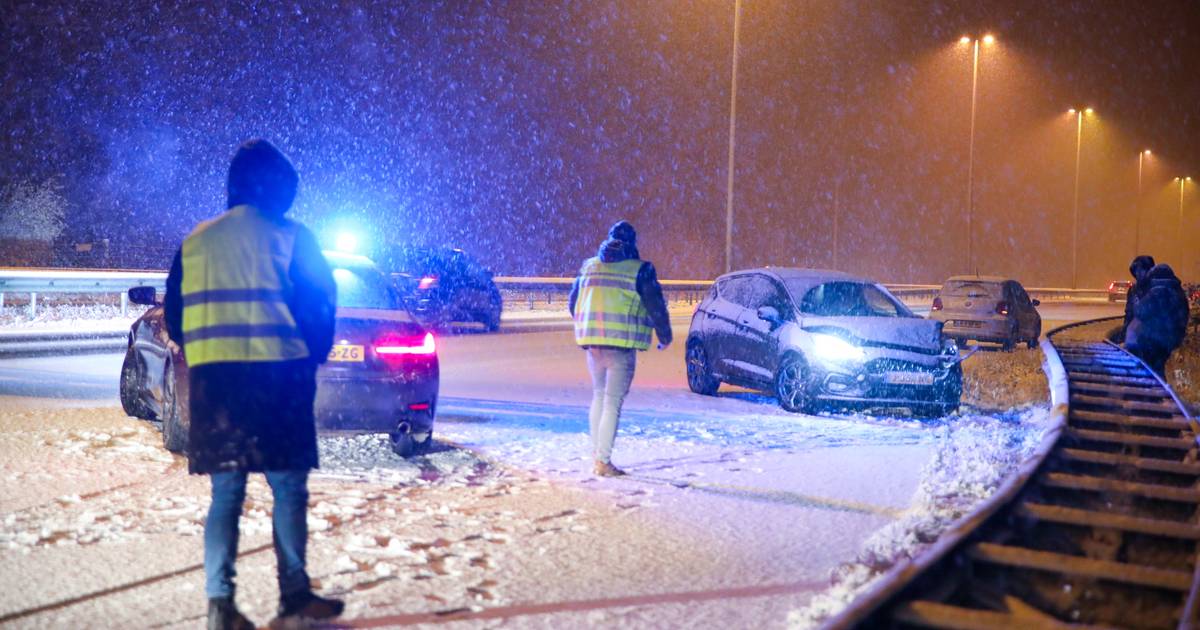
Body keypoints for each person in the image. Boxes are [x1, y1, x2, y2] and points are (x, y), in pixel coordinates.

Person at [164, 139, 343, 630]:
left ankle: (220, 606)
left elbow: (176, 320)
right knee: (288, 489)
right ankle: (294, 596)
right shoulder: (292, 237)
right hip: (278, 383)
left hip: (216, 387)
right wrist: (311, 360)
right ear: (281, 188)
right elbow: (319, 309)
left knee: (226, 495)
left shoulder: (196, 240)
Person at [568, 220, 672, 477]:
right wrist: (664, 334)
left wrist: (589, 323)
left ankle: (597, 454)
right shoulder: (641, 269)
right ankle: (603, 461)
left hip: (593, 344)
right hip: (621, 346)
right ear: (633, 242)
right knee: (612, 402)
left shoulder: (589, 266)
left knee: (599, 396)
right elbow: (655, 305)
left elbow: (573, 303)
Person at [1125, 262, 1190, 377]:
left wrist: (1136, 301)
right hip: (1172, 338)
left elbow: (1140, 311)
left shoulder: (1158, 291)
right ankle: (1157, 390)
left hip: (1156, 339)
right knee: (1157, 368)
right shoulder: (1177, 291)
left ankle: (1151, 391)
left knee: (1150, 369)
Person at [1118, 255, 1156, 343]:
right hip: (1134, 334)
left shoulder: (1155, 289)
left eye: (1141, 270)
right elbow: (1129, 313)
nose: (1138, 273)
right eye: (1136, 270)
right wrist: (1125, 332)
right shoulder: (1133, 290)